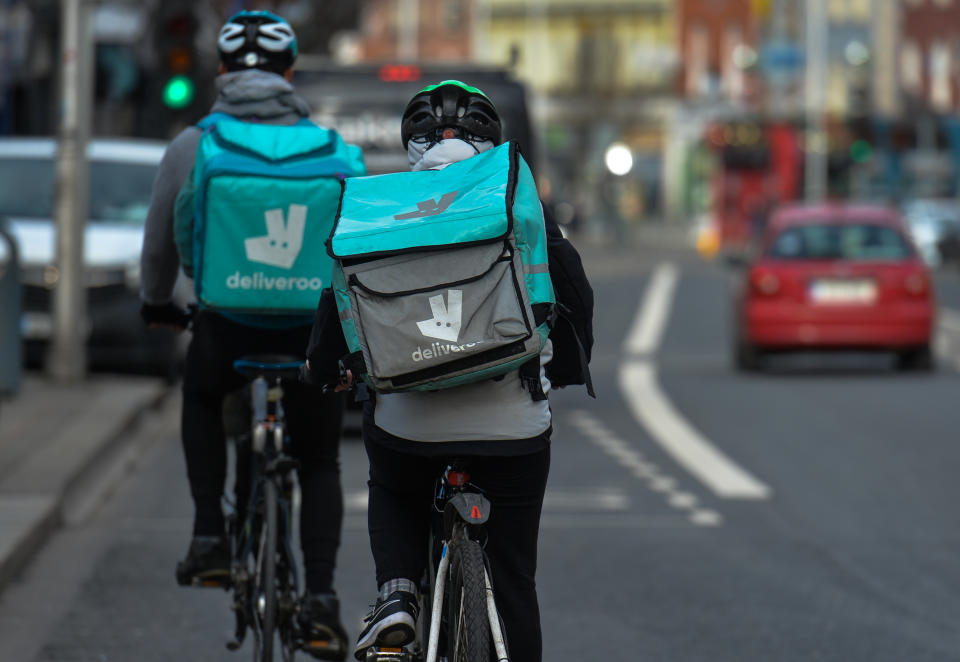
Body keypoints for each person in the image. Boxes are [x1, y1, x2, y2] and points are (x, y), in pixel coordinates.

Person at [306, 80, 594, 662]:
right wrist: (563, 364)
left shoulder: (380, 208)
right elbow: (573, 292)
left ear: (412, 146)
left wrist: (326, 370)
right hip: (511, 421)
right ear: (491, 143)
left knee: (391, 479)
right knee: (515, 583)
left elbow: (340, 299)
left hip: (411, 425)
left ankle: (396, 596)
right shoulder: (516, 196)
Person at [139, 11, 348, 660]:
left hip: (227, 325)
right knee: (317, 459)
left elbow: (161, 243)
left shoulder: (193, 145)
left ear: (223, 73)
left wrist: (159, 302)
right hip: (311, 333)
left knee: (202, 395)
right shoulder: (336, 152)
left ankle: (209, 536)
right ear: (291, 74)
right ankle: (319, 598)